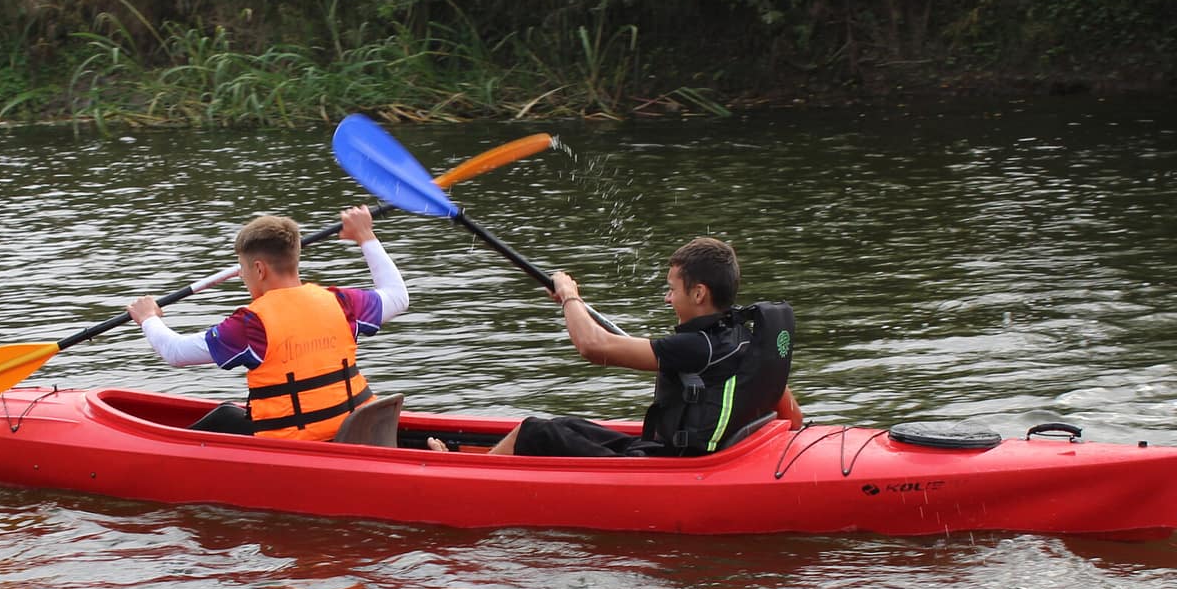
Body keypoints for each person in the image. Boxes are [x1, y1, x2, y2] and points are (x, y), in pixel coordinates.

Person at [444, 236, 800, 457]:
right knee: (567, 425)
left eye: (671, 289)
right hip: (682, 452)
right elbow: (788, 408)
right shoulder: (742, 335)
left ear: (699, 293)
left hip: (670, 464)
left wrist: (570, 297)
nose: (666, 298)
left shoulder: (695, 346)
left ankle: (461, 477)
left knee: (535, 430)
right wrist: (574, 307)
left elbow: (592, 346)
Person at [126, 206, 409, 441]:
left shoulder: (252, 324)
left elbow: (175, 353)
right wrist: (365, 236)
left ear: (259, 268)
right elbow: (398, 297)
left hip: (299, 446)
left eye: (244, 269)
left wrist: (148, 318)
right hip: (357, 431)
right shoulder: (342, 302)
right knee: (227, 414)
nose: (242, 277)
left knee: (218, 425)